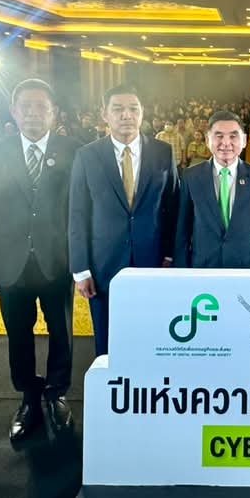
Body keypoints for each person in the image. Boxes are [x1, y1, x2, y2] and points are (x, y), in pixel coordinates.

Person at [0, 79, 80, 442]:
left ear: (54, 113)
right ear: (14, 111)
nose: (33, 114)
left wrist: (80, 260)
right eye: (26, 107)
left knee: (62, 331)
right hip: (10, 262)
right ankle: (28, 396)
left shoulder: (74, 151)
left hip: (57, 260)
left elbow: (80, 210)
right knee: (18, 334)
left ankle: (56, 393)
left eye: (41, 107)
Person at [69, 84, 179, 356]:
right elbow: (77, 213)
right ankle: (111, 381)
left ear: (142, 113)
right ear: (104, 114)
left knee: (152, 334)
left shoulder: (163, 152)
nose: (126, 115)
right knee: (107, 339)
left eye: (133, 109)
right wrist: (81, 269)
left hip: (153, 261)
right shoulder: (87, 156)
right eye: (118, 109)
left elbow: (172, 207)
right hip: (104, 265)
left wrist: (170, 254)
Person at [174, 111, 250, 268]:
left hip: (243, 268)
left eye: (233, 136)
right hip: (202, 268)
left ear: (244, 140)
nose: (226, 143)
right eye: (218, 136)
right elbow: (182, 230)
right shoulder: (191, 177)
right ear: (208, 140)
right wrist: (181, 271)